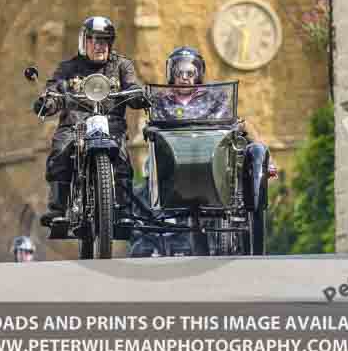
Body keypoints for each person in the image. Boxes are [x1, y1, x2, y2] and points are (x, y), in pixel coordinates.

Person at [33, 16, 147, 225]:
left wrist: (137, 94)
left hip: (111, 123)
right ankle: (58, 208)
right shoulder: (68, 68)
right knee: (60, 149)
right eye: (94, 40)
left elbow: (131, 84)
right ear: (83, 42)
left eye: (104, 40)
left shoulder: (122, 65)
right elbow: (55, 87)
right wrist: (48, 101)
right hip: (76, 124)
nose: (99, 45)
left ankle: (123, 210)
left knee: (122, 159)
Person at [153, 47, 278, 178]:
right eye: (179, 73)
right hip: (173, 151)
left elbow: (225, 115)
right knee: (148, 166)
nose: (184, 78)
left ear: (198, 74)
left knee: (243, 124)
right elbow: (155, 122)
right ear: (172, 75)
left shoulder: (212, 97)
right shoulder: (161, 100)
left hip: (207, 148)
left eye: (190, 74)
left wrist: (232, 123)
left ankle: (266, 163)